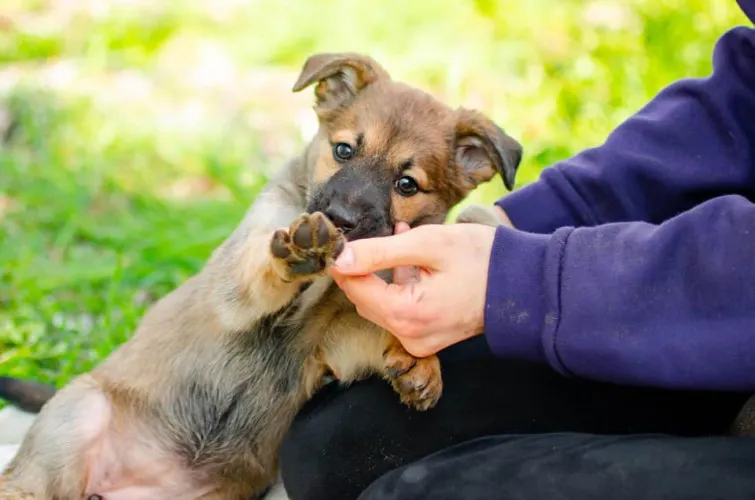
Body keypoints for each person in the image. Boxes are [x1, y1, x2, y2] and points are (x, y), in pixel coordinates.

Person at [278, 1, 755, 498]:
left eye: (405, 182)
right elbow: (743, 104)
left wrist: (522, 283)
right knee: (331, 448)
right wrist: (511, 228)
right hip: (708, 329)